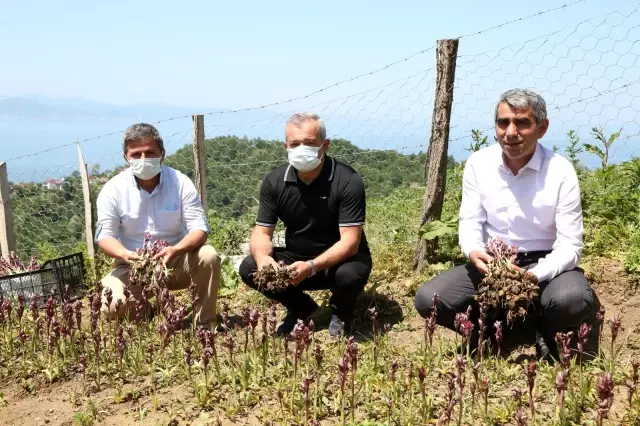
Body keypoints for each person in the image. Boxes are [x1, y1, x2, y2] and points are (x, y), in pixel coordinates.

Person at [414, 88, 594, 360]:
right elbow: (470, 222)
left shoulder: (560, 170)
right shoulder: (479, 163)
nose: (511, 132)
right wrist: (473, 251)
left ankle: (545, 329)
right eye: (503, 122)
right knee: (430, 299)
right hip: (493, 263)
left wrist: (533, 275)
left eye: (523, 123)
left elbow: (570, 246)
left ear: (542, 128)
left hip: (546, 263)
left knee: (572, 299)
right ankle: (486, 331)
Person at [239, 112, 372, 337]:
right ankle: (302, 307)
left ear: (325, 145)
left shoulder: (347, 180)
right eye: (295, 143)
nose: (302, 148)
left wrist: (311, 266)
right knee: (249, 267)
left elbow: (350, 241)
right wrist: (264, 259)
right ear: (286, 146)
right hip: (295, 260)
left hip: (339, 261)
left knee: (351, 275)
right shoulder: (275, 181)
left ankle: (341, 311)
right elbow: (261, 232)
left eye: (309, 143)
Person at [95, 123, 221, 329]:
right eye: (136, 154)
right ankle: (147, 310)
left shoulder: (180, 183)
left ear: (162, 154)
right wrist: (125, 254)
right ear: (126, 157)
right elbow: (104, 236)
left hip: (175, 261)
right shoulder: (113, 190)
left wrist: (177, 249)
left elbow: (200, 229)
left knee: (208, 255)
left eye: (150, 152)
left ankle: (205, 324)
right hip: (132, 265)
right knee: (110, 306)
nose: (143, 159)